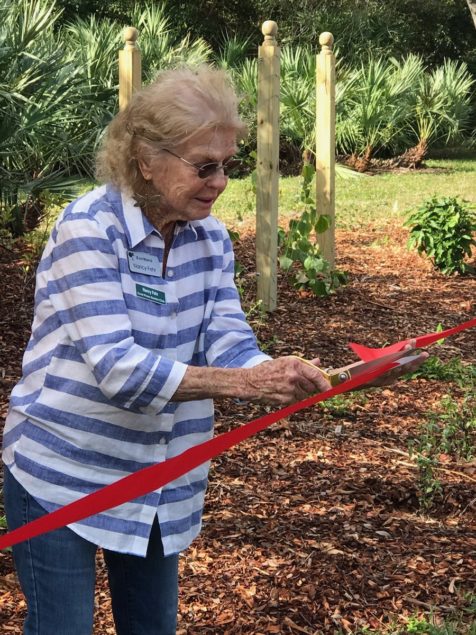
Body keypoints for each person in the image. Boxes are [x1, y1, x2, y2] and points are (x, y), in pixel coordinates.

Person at [1, 65, 426, 635]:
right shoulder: (88, 229)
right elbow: (118, 370)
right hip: (62, 473)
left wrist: (281, 374)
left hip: (160, 481)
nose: (221, 181)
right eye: (205, 166)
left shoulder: (211, 238)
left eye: (228, 164)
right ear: (146, 160)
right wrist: (246, 385)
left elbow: (227, 339)